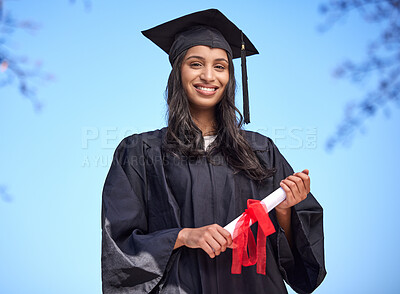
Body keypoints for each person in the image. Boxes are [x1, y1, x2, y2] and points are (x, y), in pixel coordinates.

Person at [101, 9, 326, 294]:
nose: (209, 76)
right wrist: (184, 236)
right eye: (196, 64)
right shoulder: (140, 152)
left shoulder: (260, 150)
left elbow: (301, 268)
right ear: (178, 72)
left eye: (220, 66)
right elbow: (119, 244)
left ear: (230, 76)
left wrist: (284, 211)